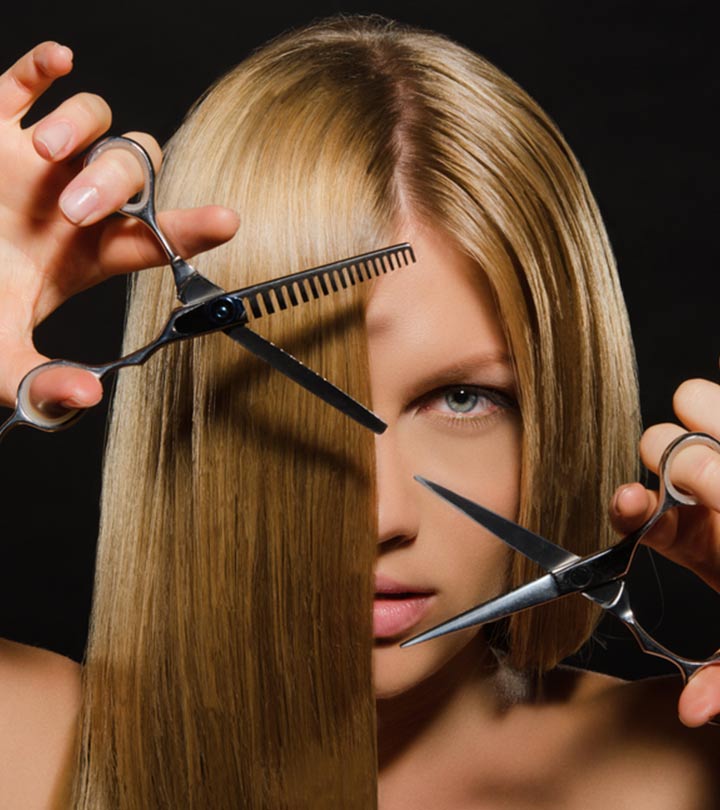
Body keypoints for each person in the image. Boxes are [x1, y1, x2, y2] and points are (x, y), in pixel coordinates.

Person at [0, 14, 719, 809]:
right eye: (282, 394)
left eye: (462, 398)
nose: (381, 512)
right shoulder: (23, 753)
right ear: (186, 421)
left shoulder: (689, 768)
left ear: (562, 417)